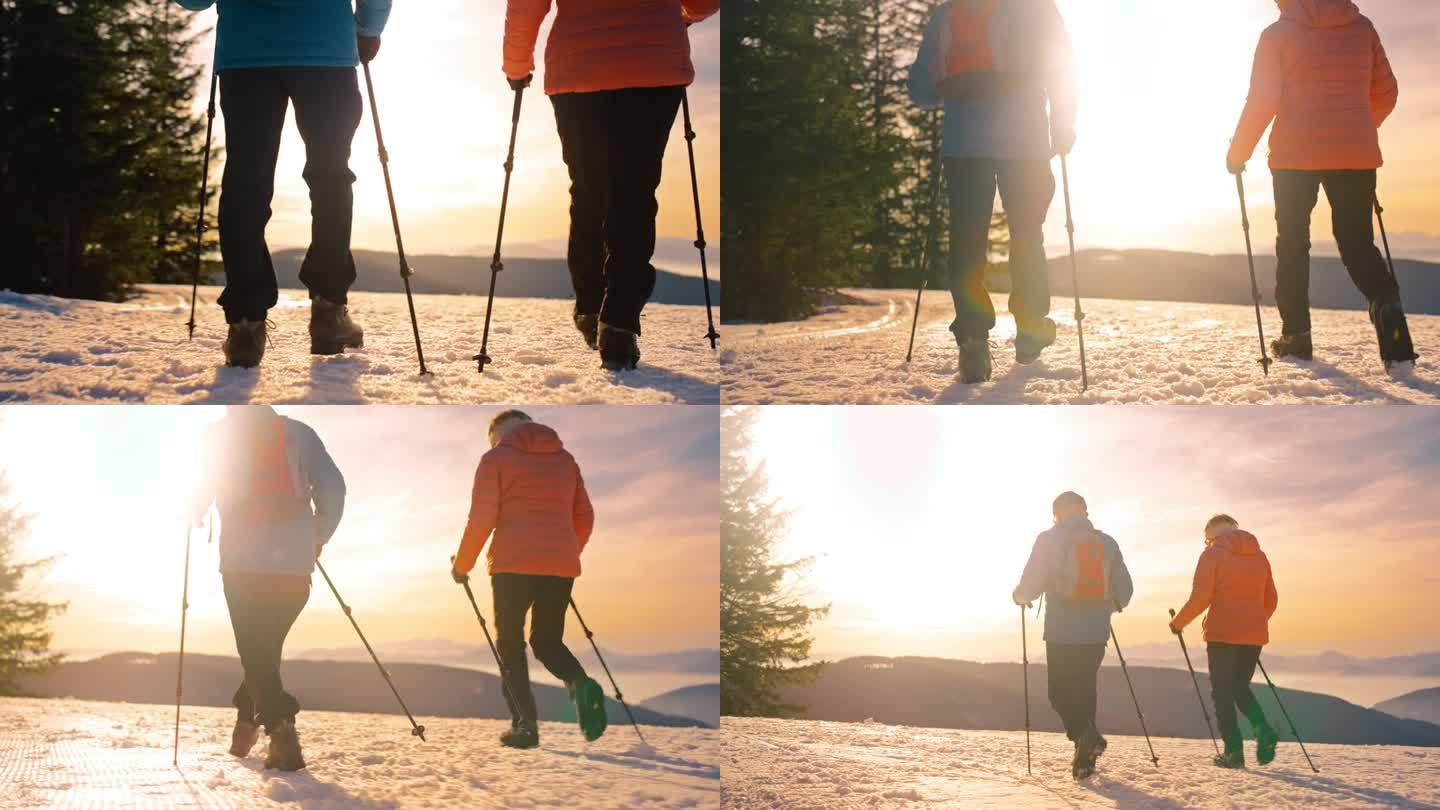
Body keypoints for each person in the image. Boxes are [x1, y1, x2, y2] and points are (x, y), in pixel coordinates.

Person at [173, 0, 393, 368]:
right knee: (330, 177)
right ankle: (328, 313)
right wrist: (369, 30)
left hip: (246, 53)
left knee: (246, 181)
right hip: (326, 47)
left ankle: (245, 325)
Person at [502, 0, 719, 371]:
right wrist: (686, 16)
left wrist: (517, 66)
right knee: (634, 192)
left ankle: (589, 306)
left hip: (577, 69)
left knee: (588, 190)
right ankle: (618, 322)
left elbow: (525, 5)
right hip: (653, 65)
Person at [1227, 0, 1417, 367]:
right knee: (1357, 243)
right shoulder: (1362, 29)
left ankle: (1296, 336)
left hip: (1294, 155)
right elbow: (1386, 93)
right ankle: (1389, 316)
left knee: (1293, 243)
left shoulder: (1276, 35)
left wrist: (1238, 153)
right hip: (1355, 154)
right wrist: (1356, 128)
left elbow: (1263, 99)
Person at [907, 0, 1077, 384]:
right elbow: (1063, 69)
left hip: (965, 145)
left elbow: (921, 90)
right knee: (1027, 235)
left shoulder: (950, 13)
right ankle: (1031, 328)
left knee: (967, 242)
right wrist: (1063, 126)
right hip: (1026, 145)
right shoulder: (1037, 8)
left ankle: (972, 339)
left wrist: (950, 87)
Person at [192, 406, 346, 771]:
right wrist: (317, 535)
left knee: (256, 654)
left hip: (243, 563)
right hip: (293, 567)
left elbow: (199, 485)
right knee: (264, 652)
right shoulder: (299, 433)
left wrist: (193, 508)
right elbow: (334, 487)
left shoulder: (218, 434)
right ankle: (246, 720)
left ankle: (280, 729)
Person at [450, 410, 605, 748]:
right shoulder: (566, 461)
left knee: (511, 643)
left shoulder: (495, 458)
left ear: (498, 434)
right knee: (548, 642)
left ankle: (526, 725)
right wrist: (565, 552)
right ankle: (579, 682)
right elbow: (585, 518)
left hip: (511, 565)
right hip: (560, 566)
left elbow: (482, 517)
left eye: (493, 439)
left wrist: (462, 565)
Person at [1013, 491, 1133, 780]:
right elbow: (1125, 592)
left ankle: (1085, 737)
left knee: (1058, 693)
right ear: (1084, 512)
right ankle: (1085, 757)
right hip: (1095, 633)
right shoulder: (1106, 542)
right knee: (1085, 689)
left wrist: (1019, 597)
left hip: (1061, 631)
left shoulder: (1048, 539)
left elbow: (1032, 581)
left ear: (1057, 514)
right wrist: (1104, 609)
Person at [1168, 514, 1280, 770]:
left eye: (1206, 540)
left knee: (1222, 693)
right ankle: (1263, 728)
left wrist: (1178, 623)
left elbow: (1200, 597)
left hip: (1222, 634)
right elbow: (1271, 599)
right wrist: (1254, 621)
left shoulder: (1211, 555)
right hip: (1254, 634)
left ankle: (1233, 752)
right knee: (1240, 687)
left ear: (1212, 536)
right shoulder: (1259, 556)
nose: (1206, 544)